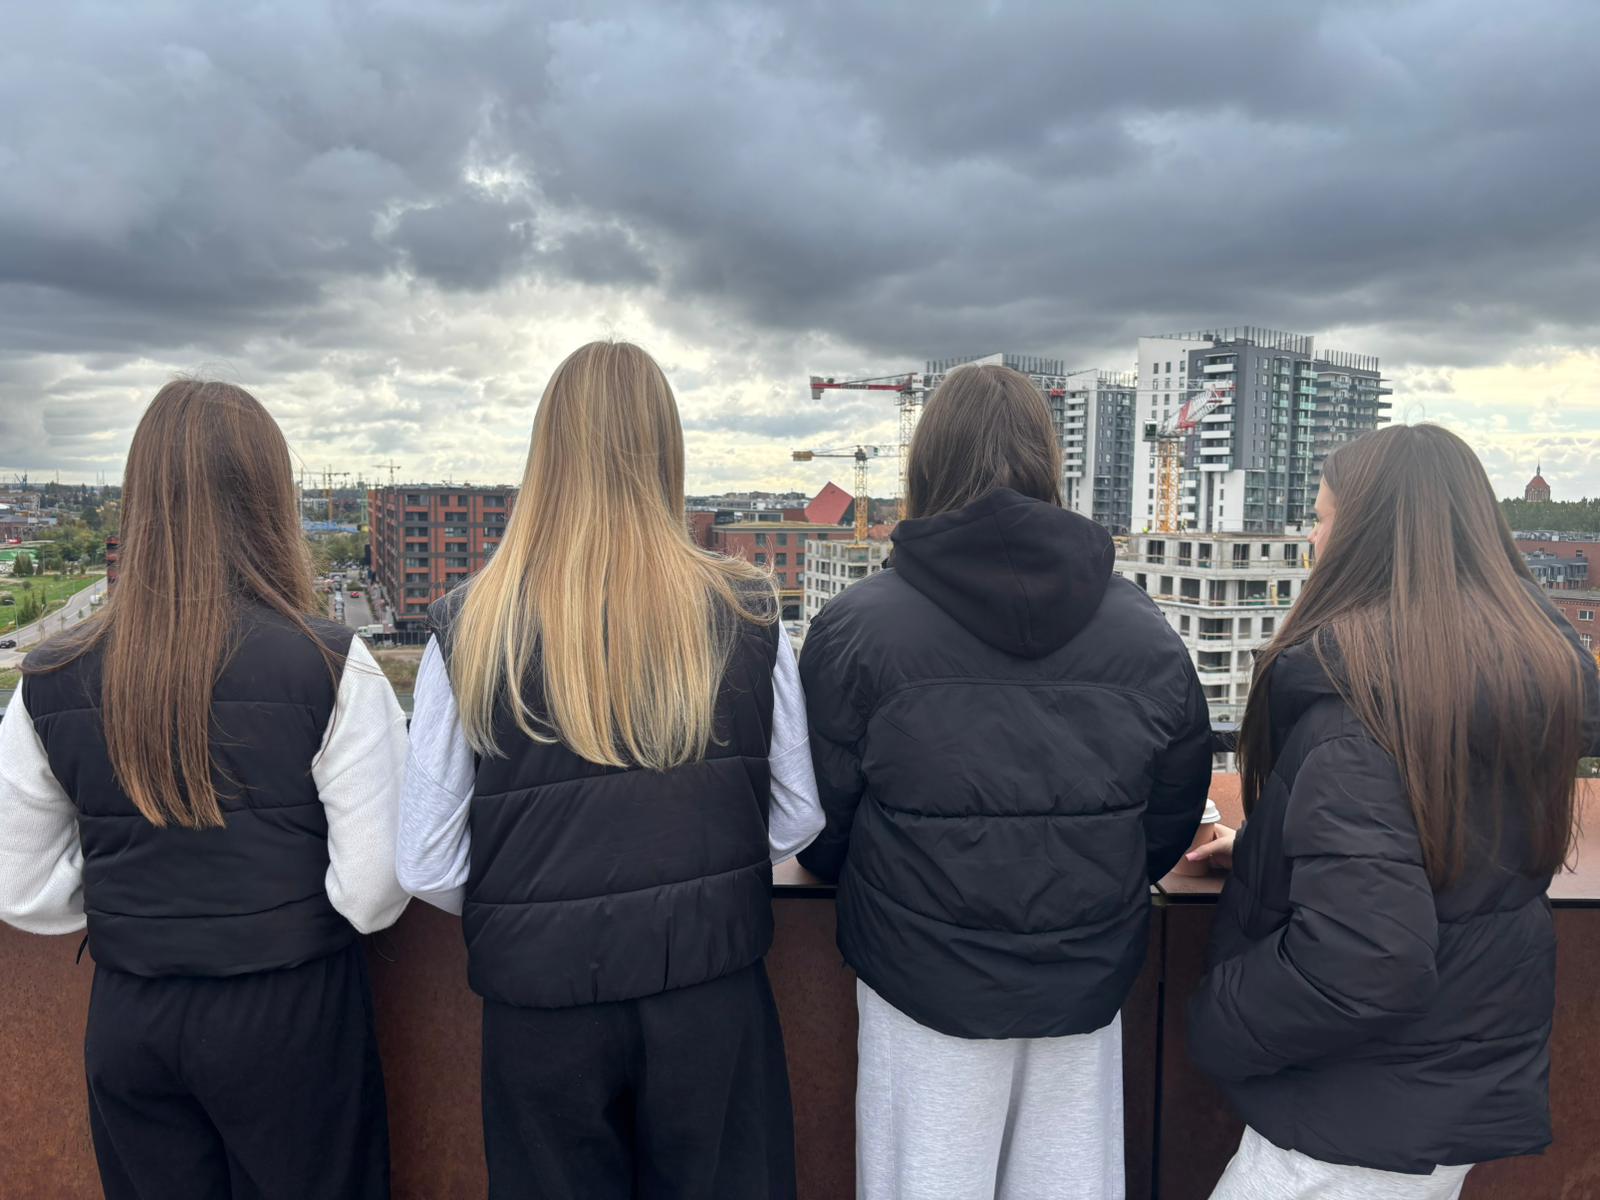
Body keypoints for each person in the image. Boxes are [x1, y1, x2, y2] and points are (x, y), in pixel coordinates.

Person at [397, 340, 821, 1199]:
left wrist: (534, 906)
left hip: (540, 1008)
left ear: (545, 455)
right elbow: (797, 815)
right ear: (667, 452)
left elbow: (426, 861)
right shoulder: (746, 611)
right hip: (708, 990)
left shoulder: (467, 626)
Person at [796, 363, 1212, 1200]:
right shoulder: (1144, 631)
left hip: (920, 975)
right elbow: (1166, 817)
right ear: (1049, 464)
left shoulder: (857, 628)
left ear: (925, 465)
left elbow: (821, 821)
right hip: (1083, 976)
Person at [0, 380, 410, 1199]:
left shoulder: (48, 676)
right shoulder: (331, 663)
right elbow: (373, 891)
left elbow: (20, 886)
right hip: (291, 1015)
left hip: (131, 1017)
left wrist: (136, 897)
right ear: (271, 500)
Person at [1187, 424, 1600, 1200]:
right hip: (1438, 1092)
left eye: (1321, 518)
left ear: (1369, 538)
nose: (1311, 539)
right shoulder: (1498, 690)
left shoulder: (1360, 713)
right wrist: (1276, 850)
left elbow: (1366, 959)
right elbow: (1441, 850)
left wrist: (1217, 1017)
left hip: (1345, 1130)